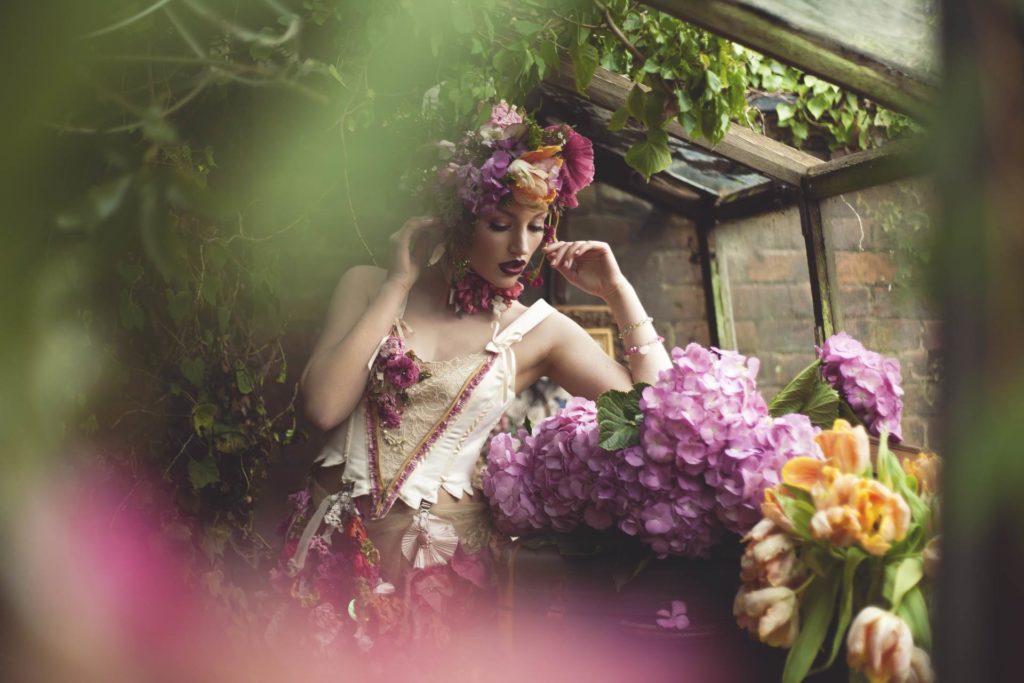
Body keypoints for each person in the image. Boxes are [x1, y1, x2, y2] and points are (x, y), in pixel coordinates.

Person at [271, 102, 672, 653]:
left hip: (440, 577)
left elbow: (658, 417)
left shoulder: (539, 330)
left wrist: (619, 293)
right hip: (331, 556)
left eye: (536, 227)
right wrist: (397, 286)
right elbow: (321, 408)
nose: (522, 247)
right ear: (458, 219)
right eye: (500, 224)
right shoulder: (368, 285)